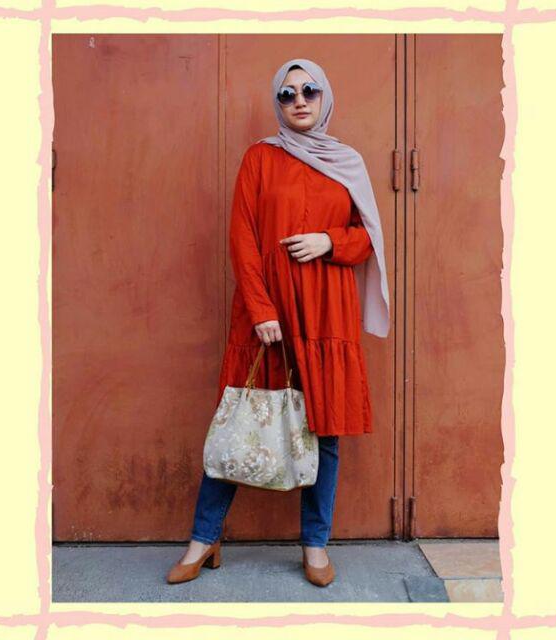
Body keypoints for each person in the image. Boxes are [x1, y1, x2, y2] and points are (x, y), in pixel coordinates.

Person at [166, 58, 390, 588]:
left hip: (326, 312)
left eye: (309, 90)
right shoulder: (260, 158)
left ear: (325, 97)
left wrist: (329, 240)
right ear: (278, 103)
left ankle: (315, 545)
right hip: (268, 315)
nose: (299, 101)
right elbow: (242, 237)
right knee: (238, 423)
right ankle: (204, 539)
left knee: (325, 429)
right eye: (287, 94)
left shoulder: (347, 162)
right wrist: (261, 310)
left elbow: (368, 239)